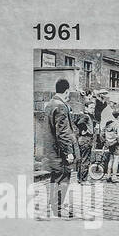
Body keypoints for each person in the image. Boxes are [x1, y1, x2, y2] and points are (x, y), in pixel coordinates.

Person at [43, 79, 78, 217]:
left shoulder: (50, 104)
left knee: (55, 179)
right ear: (67, 91)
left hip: (51, 150)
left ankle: (53, 206)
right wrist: (69, 152)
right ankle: (57, 209)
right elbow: (63, 133)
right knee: (63, 179)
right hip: (59, 152)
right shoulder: (61, 106)